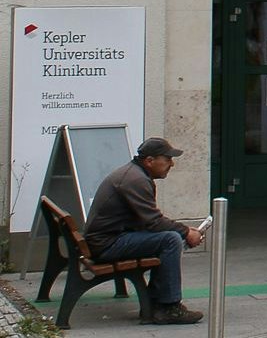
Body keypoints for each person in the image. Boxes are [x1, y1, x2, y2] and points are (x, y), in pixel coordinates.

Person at [81, 137, 206, 324]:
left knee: (169, 237)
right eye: (168, 159)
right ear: (149, 161)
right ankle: (168, 306)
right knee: (170, 239)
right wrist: (186, 232)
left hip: (107, 239)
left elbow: (148, 222)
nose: (171, 164)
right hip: (107, 244)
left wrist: (184, 230)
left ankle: (158, 300)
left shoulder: (135, 174)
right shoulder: (135, 180)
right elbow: (153, 222)